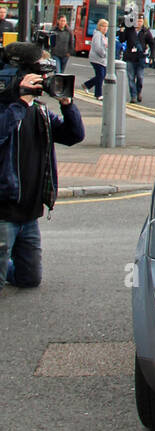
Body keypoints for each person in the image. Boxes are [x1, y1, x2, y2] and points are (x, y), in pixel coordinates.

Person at [0, 41, 84, 290]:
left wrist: (68, 105)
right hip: (4, 213)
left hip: (29, 215)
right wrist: (20, 101)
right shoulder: (10, 108)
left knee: (29, 279)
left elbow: (74, 135)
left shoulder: (39, 112)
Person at [118, 17, 147, 103]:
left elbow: (152, 43)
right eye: (137, 21)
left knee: (140, 77)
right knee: (131, 78)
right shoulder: (129, 30)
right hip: (130, 57)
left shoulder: (145, 32)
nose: (138, 22)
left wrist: (152, 55)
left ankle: (139, 92)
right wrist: (122, 29)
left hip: (140, 58)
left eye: (140, 21)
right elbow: (121, 39)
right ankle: (133, 96)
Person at [83, 18, 109, 100]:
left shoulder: (104, 36)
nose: (105, 28)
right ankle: (98, 94)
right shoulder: (97, 35)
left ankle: (87, 85)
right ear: (99, 27)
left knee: (101, 76)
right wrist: (104, 54)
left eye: (106, 26)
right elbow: (98, 47)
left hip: (102, 60)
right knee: (100, 75)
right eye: (103, 26)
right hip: (96, 59)